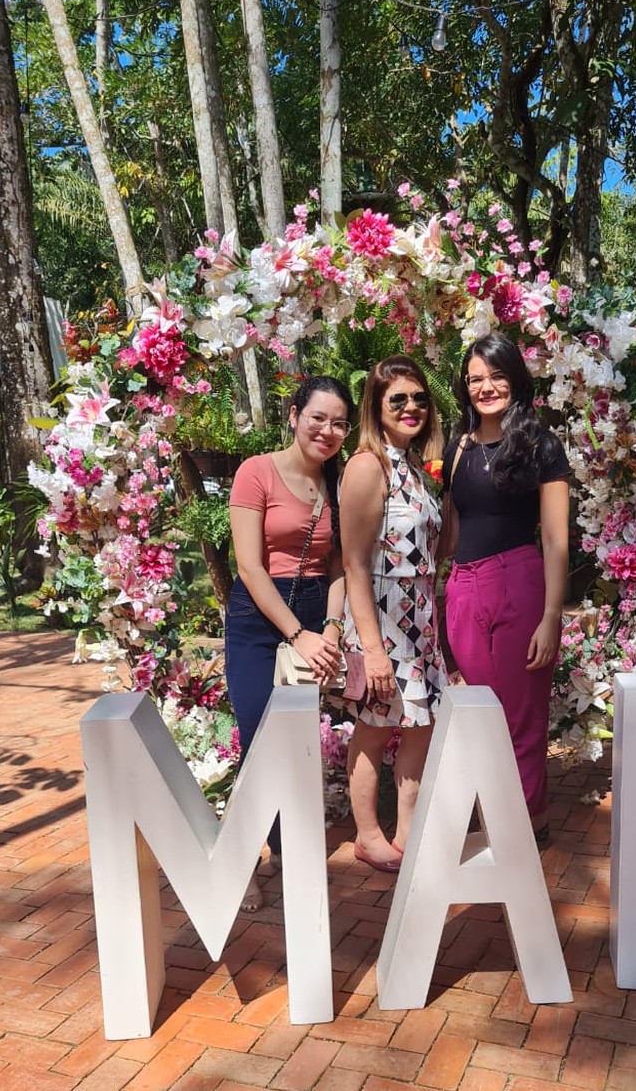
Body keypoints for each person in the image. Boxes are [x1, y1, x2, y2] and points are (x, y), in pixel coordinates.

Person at [225, 376, 355, 910]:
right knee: (258, 741)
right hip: (260, 618)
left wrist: (330, 627)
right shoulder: (256, 472)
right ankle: (238, 866)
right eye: (317, 417)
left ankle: (285, 851)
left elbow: (339, 564)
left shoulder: (339, 483)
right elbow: (250, 566)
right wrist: (297, 634)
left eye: (340, 423)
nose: (327, 430)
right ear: (294, 414)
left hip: (313, 612)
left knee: (295, 746)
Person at [440, 332, 571, 846]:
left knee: (520, 713)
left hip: (519, 580)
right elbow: (450, 532)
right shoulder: (457, 449)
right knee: (476, 714)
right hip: (463, 588)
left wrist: (551, 616)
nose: (485, 387)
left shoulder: (540, 444)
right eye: (475, 379)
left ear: (515, 378)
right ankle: (492, 812)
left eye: (495, 375)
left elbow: (557, 538)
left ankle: (527, 824)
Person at [340, 355, 447, 872]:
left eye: (419, 398)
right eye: (397, 399)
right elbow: (355, 564)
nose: (410, 407)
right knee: (375, 729)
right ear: (376, 407)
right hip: (383, 621)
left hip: (420, 621)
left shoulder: (419, 470)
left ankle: (408, 829)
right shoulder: (368, 466)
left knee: (422, 725)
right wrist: (374, 650)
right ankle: (366, 834)